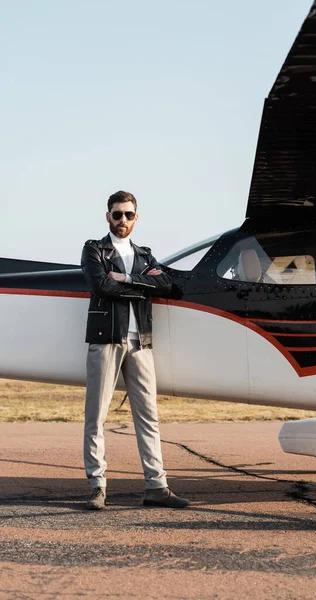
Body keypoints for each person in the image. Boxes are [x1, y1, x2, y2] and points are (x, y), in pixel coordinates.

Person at [81, 190, 190, 510]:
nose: (123, 220)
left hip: (140, 343)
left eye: (129, 215)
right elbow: (102, 286)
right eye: (117, 214)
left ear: (136, 218)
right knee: (96, 417)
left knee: (149, 418)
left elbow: (168, 285)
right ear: (108, 217)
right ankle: (97, 486)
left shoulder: (145, 254)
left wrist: (126, 277)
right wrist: (142, 283)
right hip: (106, 340)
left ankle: (157, 487)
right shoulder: (94, 249)